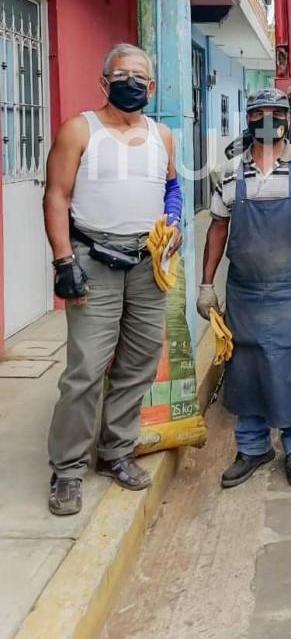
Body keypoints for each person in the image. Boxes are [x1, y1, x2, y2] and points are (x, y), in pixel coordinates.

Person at [44, 44, 182, 516]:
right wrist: (64, 260)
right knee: (85, 368)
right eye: (121, 75)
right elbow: (57, 195)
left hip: (147, 263)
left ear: (152, 86)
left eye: (140, 76)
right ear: (104, 82)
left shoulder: (163, 135)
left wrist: (176, 218)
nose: (132, 82)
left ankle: (115, 450)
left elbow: (171, 187)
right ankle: (66, 469)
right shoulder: (80, 130)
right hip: (92, 260)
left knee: (140, 361)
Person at [198, 88, 291, 489]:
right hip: (244, 291)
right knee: (246, 369)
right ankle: (253, 447)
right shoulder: (230, 171)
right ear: (248, 119)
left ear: (286, 118)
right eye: (258, 113)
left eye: (274, 113)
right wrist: (207, 284)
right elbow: (218, 228)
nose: (266, 120)